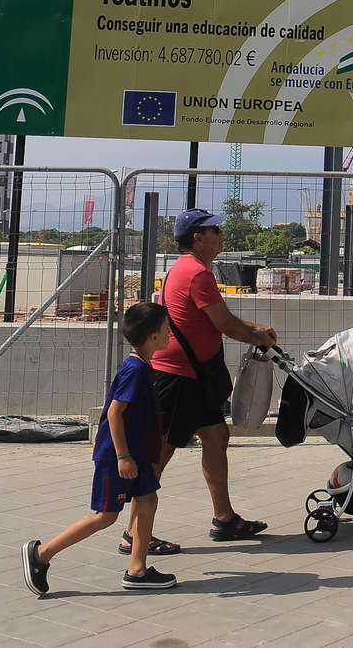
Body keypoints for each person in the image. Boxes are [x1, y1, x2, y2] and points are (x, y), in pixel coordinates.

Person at [123, 208, 277, 557]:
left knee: (216, 436)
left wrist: (254, 331)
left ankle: (224, 518)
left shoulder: (189, 269)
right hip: (179, 379)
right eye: (215, 230)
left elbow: (213, 320)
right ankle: (133, 534)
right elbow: (224, 323)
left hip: (196, 376)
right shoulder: (195, 273)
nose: (221, 235)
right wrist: (257, 335)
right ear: (198, 237)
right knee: (160, 452)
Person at [22, 302, 177, 595]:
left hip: (137, 455)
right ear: (153, 338)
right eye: (166, 329)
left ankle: (137, 570)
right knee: (106, 516)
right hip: (120, 457)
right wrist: (122, 456)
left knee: (148, 502)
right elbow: (114, 413)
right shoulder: (134, 370)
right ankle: (41, 554)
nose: (170, 333)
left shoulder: (143, 366)